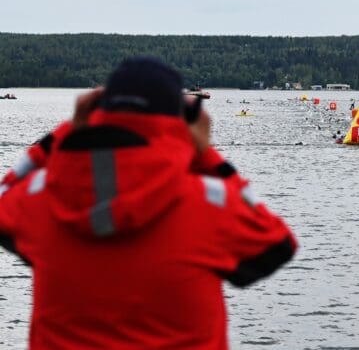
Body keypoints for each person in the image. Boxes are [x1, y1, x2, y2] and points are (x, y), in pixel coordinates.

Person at [0, 57, 297, 349]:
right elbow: (278, 243)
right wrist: (206, 153)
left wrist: (66, 130)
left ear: (96, 111)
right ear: (179, 120)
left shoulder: (41, 198)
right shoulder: (211, 203)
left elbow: (5, 194)